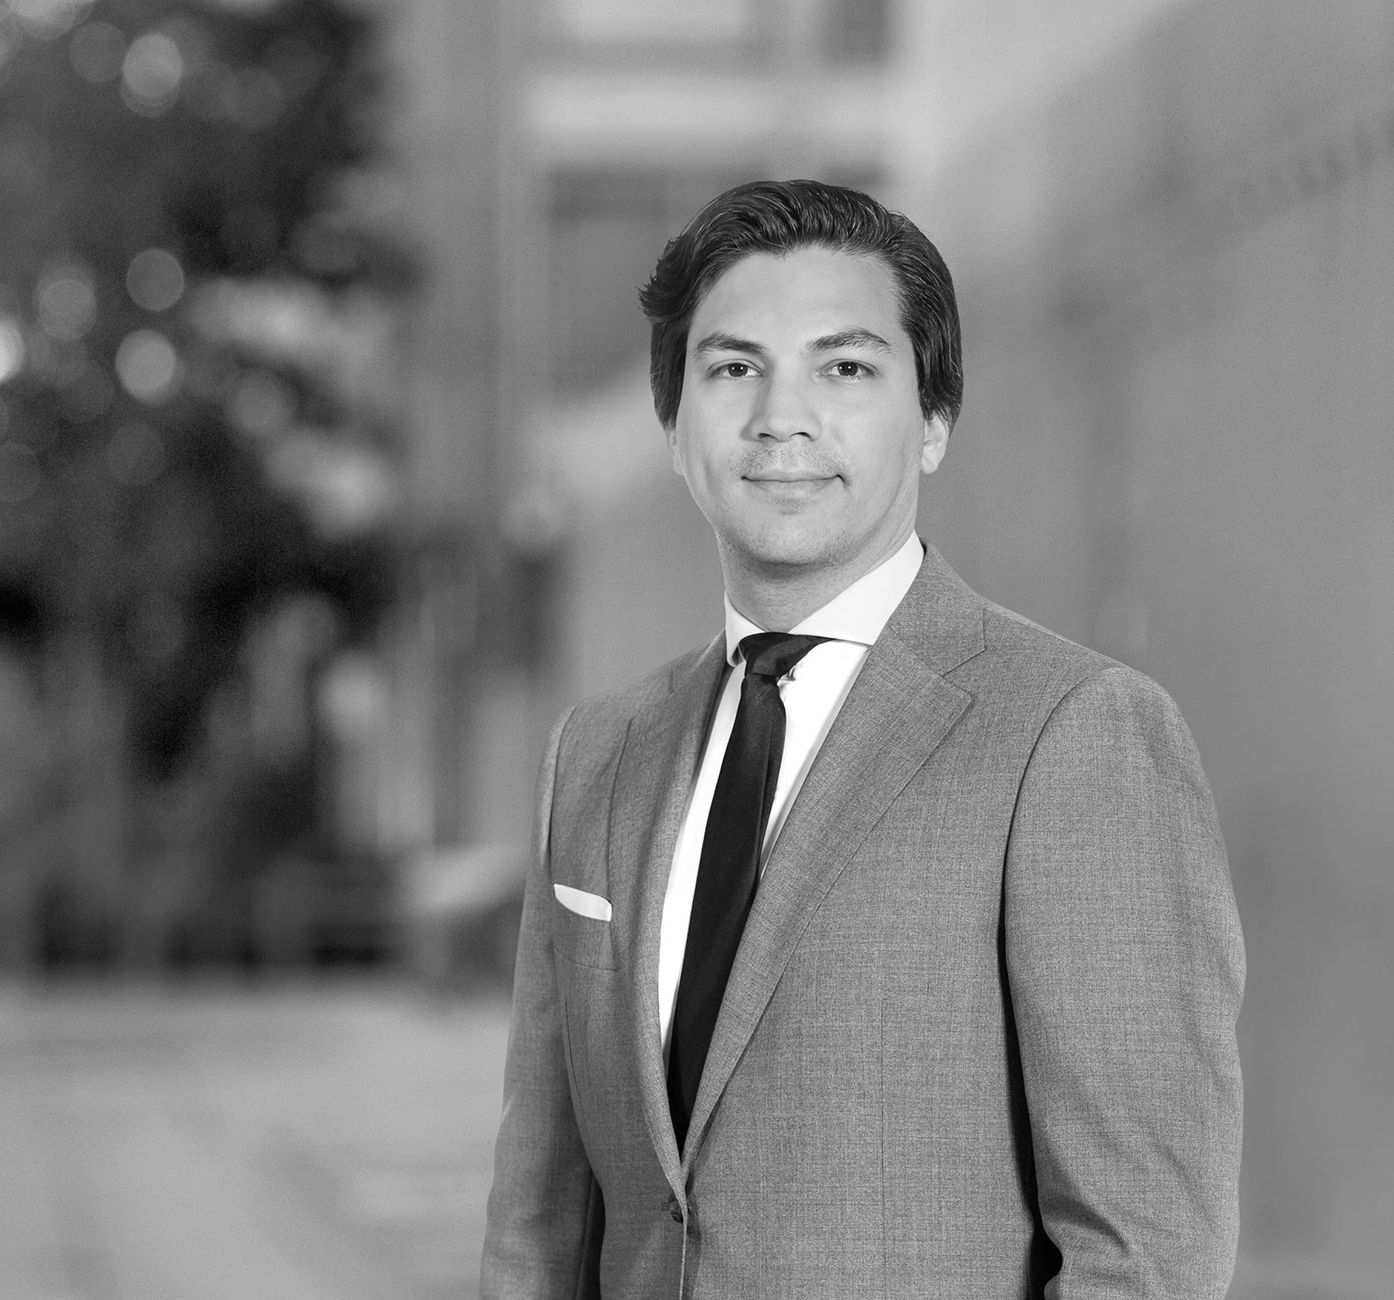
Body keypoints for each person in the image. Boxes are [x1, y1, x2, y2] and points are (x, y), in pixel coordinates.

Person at [481, 179, 1244, 1299]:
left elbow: (1146, 1251)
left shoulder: (1073, 735)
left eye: (843, 369)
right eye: (732, 368)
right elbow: (537, 1221)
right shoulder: (598, 752)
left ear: (932, 422)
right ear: (674, 427)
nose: (780, 417)